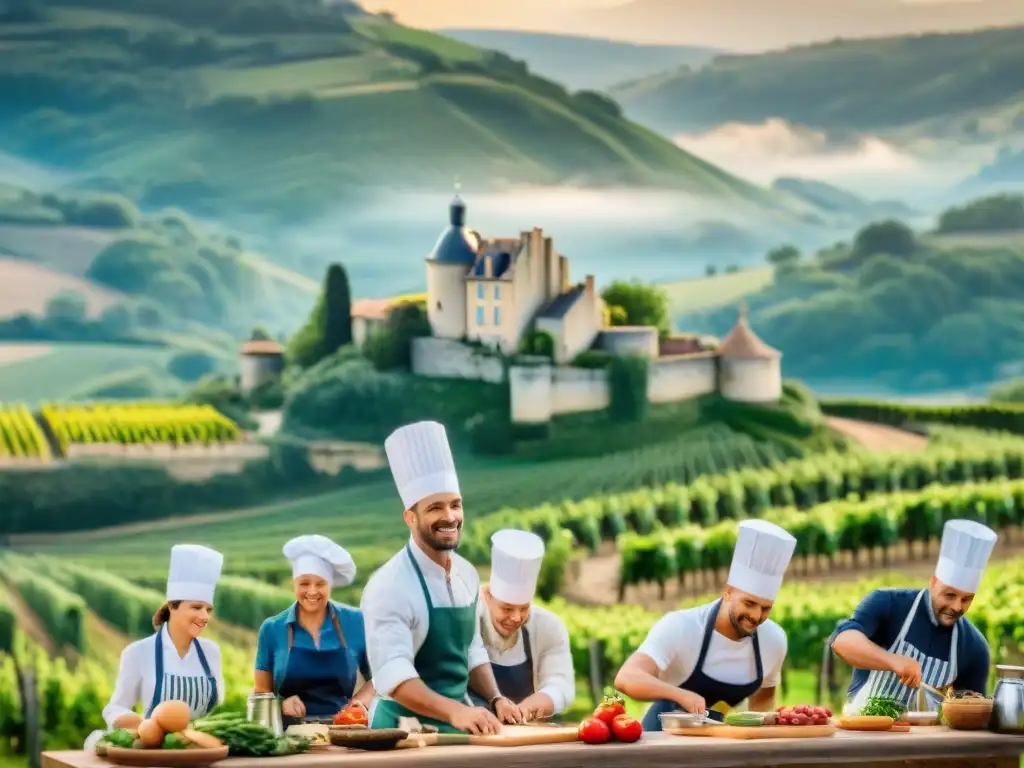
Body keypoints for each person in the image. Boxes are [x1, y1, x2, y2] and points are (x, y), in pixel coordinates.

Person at [361, 420, 519, 734]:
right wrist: (455, 712)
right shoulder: (389, 585)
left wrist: (496, 698)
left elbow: (471, 648)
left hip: (461, 724)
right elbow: (393, 674)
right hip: (402, 732)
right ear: (410, 517)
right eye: (435, 508)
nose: (449, 517)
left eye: (455, 505)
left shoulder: (467, 575)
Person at [614, 519, 796, 731]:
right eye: (749, 603)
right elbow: (627, 678)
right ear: (728, 592)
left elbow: (763, 703)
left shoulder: (773, 640)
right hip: (661, 744)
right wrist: (679, 694)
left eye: (766, 608)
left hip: (716, 748)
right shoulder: (681, 626)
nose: (756, 616)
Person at [832, 519, 996, 715]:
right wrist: (894, 661)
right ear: (934, 582)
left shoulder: (973, 646)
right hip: (866, 732)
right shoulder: (888, 602)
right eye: (949, 595)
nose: (956, 607)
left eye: (966, 599)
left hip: (926, 741)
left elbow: (973, 713)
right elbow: (843, 642)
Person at [86, 545, 225, 747]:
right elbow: (114, 707)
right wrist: (146, 727)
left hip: (200, 749)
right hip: (156, 751)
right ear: (172, 606)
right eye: (196, 607)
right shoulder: (139, 652)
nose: (204, 616)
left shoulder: (211, 652)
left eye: (208, 609)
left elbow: (217, 710)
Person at [254, 535, 374, 725]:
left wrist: (359, 703)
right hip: (288, 736)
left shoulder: (356, 621)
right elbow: (261, 692)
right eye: (304, 583)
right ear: (293, 583)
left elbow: (381, 675)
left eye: (320, 584)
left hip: (346, 729)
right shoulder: (272, 628)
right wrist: (280, 704)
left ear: (330, 585)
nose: (312, 591)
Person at [469, 529, 575, 721]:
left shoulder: (548, 627)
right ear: (487, 596)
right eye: (507, 609)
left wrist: (529, 708)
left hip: (524, 737)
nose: (517, 618)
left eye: (524, 608)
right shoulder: (465, 619)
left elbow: (562, 685)